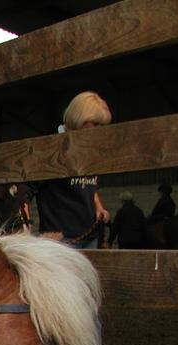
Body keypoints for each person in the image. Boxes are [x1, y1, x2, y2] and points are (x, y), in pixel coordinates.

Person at [33, 91, 112, 248]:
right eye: (95, 124)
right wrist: (27, 231)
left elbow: (90, 185)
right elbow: (24, 192)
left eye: (102, 126)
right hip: (61, 240)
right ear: (79, 119)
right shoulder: (51, 150)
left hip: (90, 236)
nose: (99, 130)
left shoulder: (91, 150)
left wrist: (99, 207)